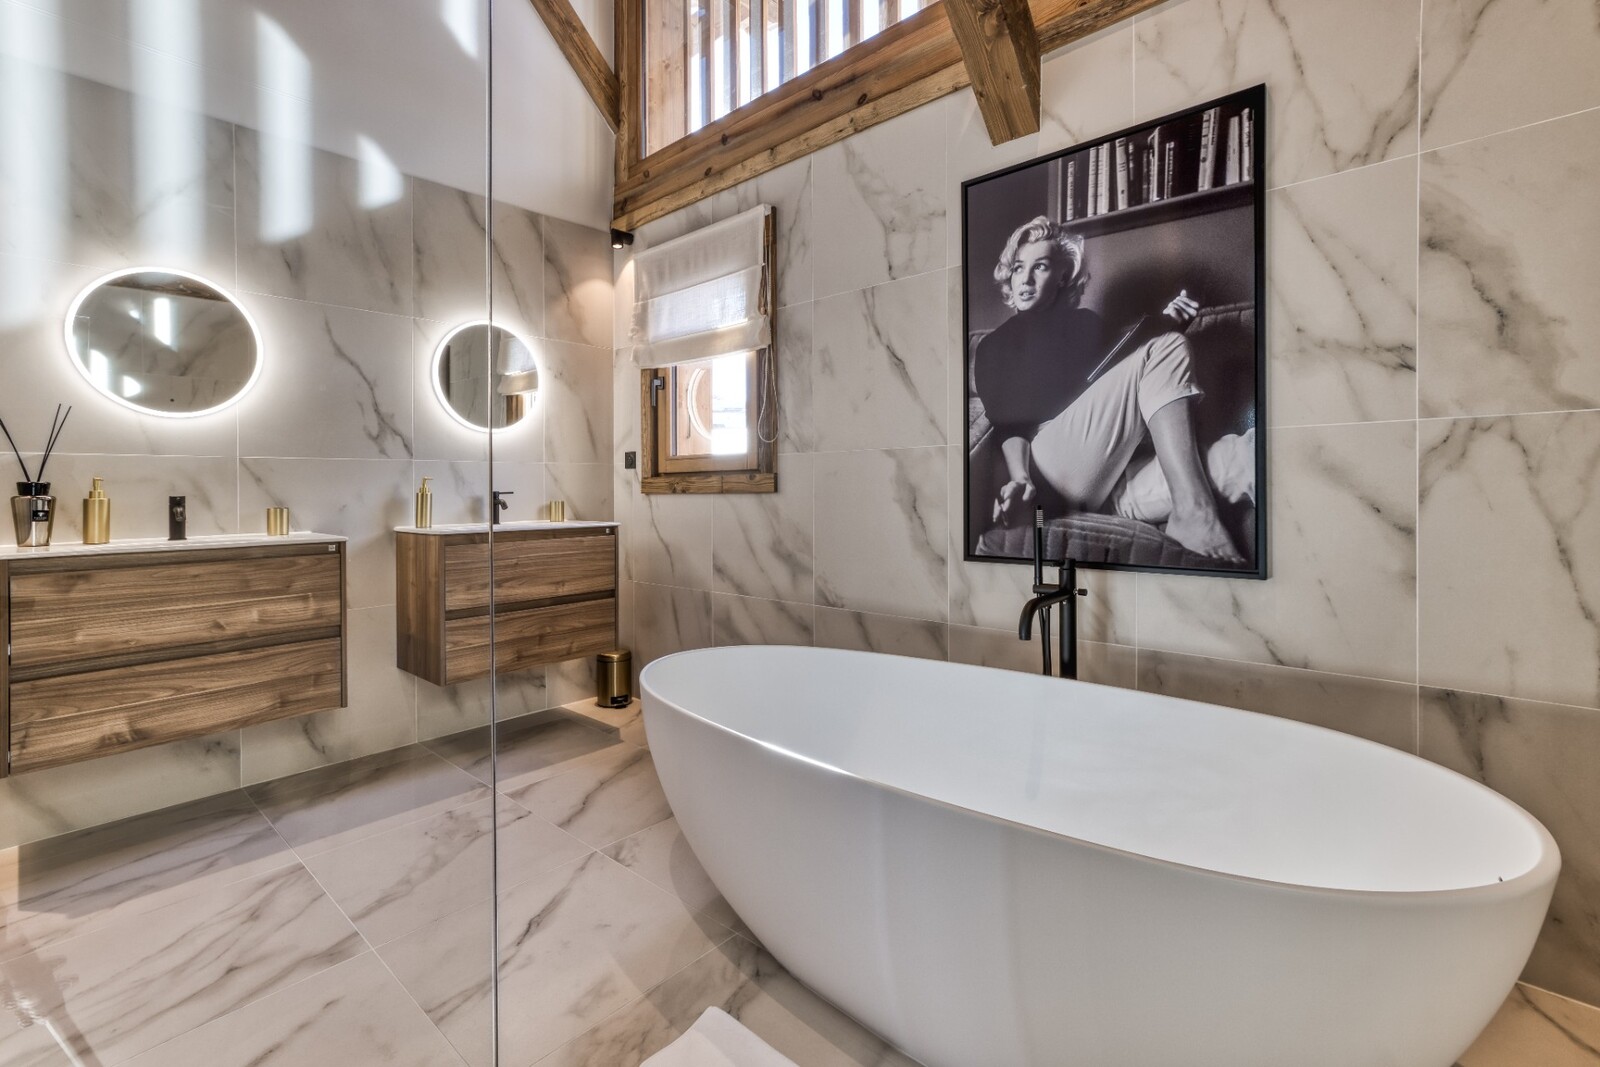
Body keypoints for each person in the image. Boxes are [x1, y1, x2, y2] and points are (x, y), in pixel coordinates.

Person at [972, 215, 1252, 563]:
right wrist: (1020, 478)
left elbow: (1122, 373)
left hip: (1103, 477)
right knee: (1166, 347)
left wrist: (1170, 323)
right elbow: (1007, 424)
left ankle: (1184, 506)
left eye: (1040, 267)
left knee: (1246, 456)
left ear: (1063, 276)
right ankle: (1194, 510)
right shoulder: (995, 345)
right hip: (1046, 471)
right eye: (1018, 268)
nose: (1025, 279)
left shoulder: (1085, 324)